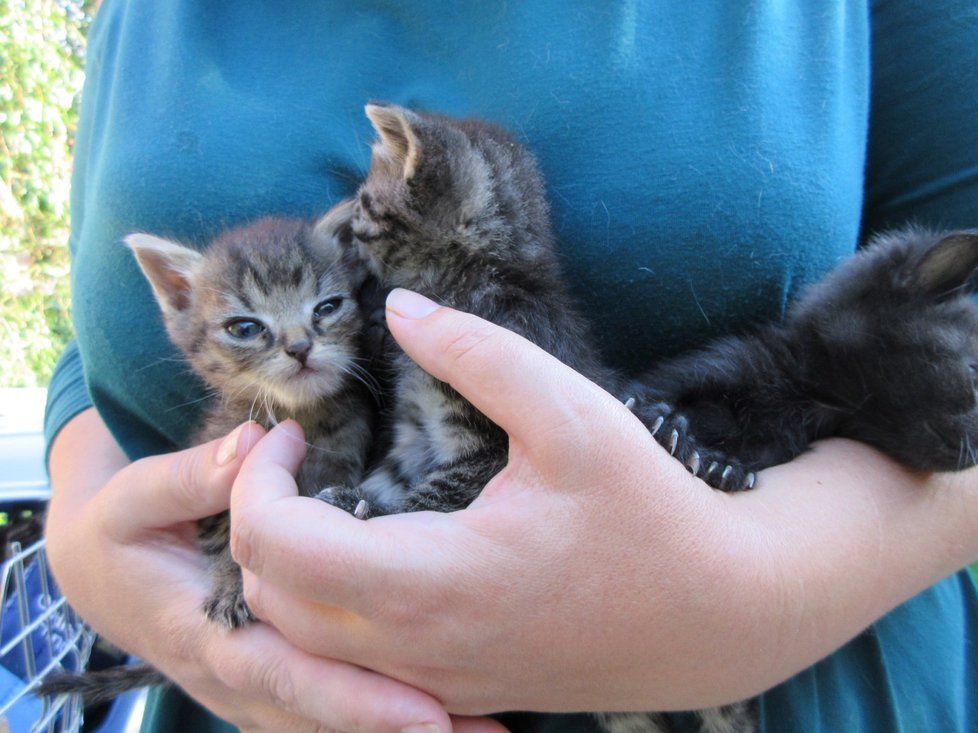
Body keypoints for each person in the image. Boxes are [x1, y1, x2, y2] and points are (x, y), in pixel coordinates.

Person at [43, 2, 978, 732]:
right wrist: (90, 550)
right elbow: (94, 348)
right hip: (243, 690)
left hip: (786, 685)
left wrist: (759, 589)